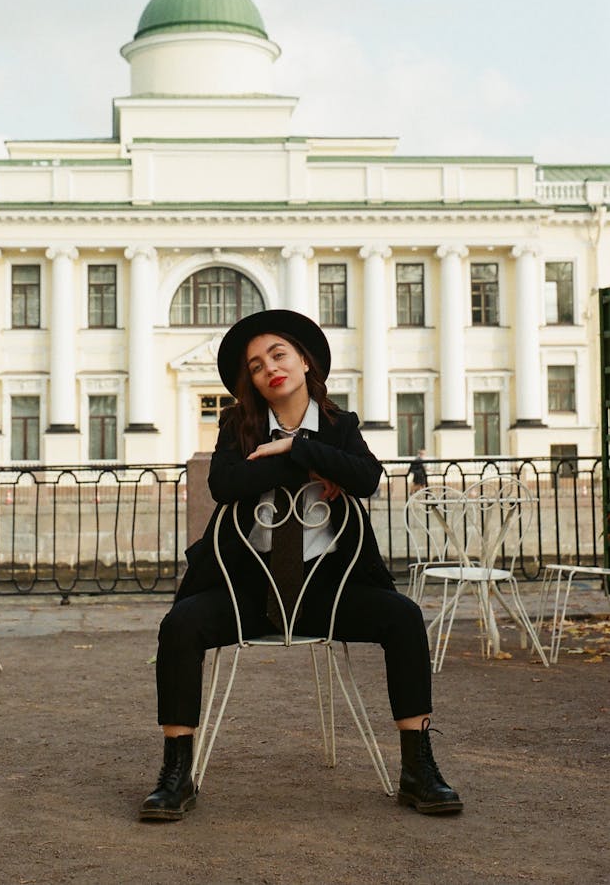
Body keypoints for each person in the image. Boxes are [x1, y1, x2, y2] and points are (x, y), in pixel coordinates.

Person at [139, 309, 462, 821]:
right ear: (253, 382)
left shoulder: (339, 426)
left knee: (402, 617)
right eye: (257, 364)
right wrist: (302, 458)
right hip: (250, 590)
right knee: (180, 625)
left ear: (305, 362)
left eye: (278, 354)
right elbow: (224, 486)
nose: (269, 368)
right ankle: (176, 775)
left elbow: (367, 477)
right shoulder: (236, 426)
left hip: (328, 591)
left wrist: (300, 444)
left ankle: (418, 769)